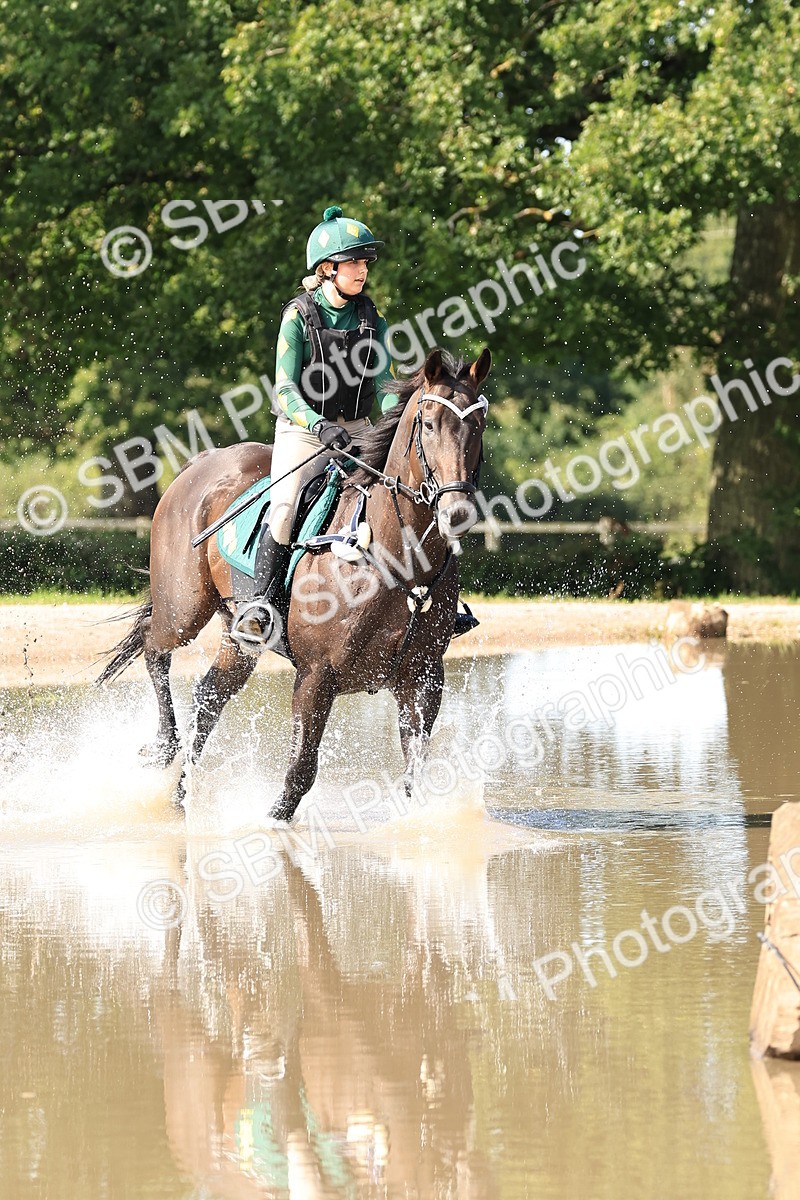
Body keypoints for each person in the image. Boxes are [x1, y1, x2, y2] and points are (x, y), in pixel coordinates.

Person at [230, 204, 397, 652]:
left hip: (360, 430)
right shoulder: (297, 316)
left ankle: (423, 602)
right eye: (354, 262)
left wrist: (398, 415)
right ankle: (260, 608)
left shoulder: (372, 320)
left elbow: (382, 383)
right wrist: (319, 425)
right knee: (284, 506)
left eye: (364, 263)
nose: (362, 270)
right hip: (305, 430)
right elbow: (284, 389)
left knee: (397, 494)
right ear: (328, 269)